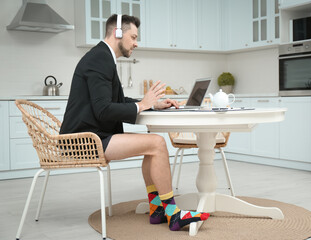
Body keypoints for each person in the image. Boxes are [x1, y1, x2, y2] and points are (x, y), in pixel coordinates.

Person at [60, 14, 209, 231]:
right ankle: (173, 214)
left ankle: (157, 209)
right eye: (133, 37)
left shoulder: (102, 57)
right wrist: (141, 105)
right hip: (84, 140)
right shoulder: (100, 59)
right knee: (157, 143)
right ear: (117, 33)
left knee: (152, 145)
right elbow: (103, 110)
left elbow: (116, 102)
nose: (136, 43)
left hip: (91, 135)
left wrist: (151, 104)